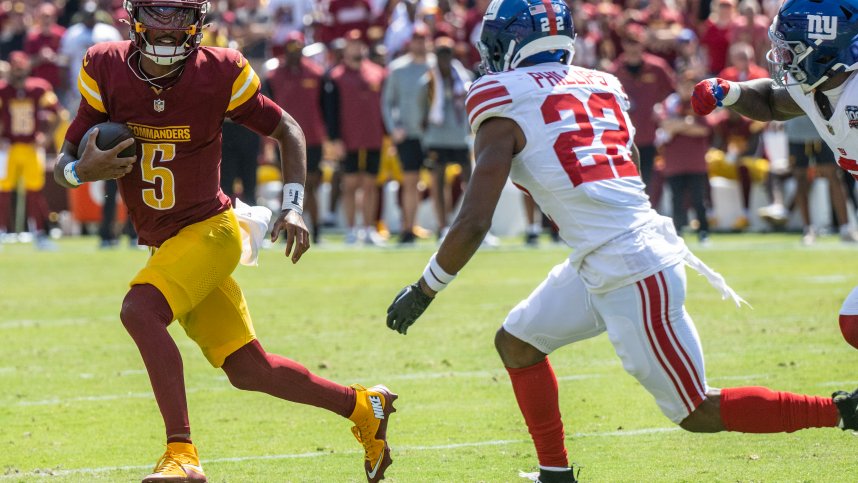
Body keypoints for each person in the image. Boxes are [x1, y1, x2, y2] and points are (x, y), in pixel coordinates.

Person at [386, 1, 858, 482]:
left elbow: (473, 220)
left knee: (696, 410)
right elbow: (627, 159)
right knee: (518, 341)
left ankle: (842, 411)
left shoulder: (500, 98)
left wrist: (425, 289)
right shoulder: (601, 84)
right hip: (607, 253)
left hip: (631, 266)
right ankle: (555, 473)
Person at [52, 1, 396, 482]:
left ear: (200, 19)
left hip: (212, 231)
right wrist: (78, 172)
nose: (169, 26)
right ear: (134, 15)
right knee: (250, 370)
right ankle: (363, 407)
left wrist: (294, 204)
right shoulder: (104, 66)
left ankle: (181, 453)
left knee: (139, 310)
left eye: (180, 14)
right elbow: (64, 160)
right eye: (158, 12)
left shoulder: (221, 71)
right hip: (166, 245)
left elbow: (288, 130)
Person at [692, 0, 858, 346]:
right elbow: (771, 102)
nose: (779, 56)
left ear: (823, 50)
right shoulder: (819, 83)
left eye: (790, 48)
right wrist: (730, 92)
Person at [264, 31, 328, 244]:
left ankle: (316, 230)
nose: (295, 53)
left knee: (310, 186)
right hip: (283, 139)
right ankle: (285, 230)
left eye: (298, 48)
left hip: (312, 138)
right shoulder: (274, 76)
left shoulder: (316, 74)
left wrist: (328, 138)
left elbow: (325, 108)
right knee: (288, 184)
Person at [0, 51, 62, 249]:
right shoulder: (3, 89)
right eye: (15, 67)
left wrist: (46, 137)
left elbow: (59, 114)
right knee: (3, 191)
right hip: (8, 147)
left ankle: (39, 234)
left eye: (21, 67)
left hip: (31, 147)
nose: (18, 71)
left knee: (34, 191)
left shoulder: (39, 88)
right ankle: (2, 231)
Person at [382, 25, 431, 244]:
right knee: (410, 181)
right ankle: (408, 227)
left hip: (432, 134)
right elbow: (387, 101)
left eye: (423, 39)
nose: (420, 44)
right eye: (416, 40)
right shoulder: (398, 68)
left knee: (437, 182)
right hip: (408, 134)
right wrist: (394, 128)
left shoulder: (436, 66)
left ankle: (442, 227)